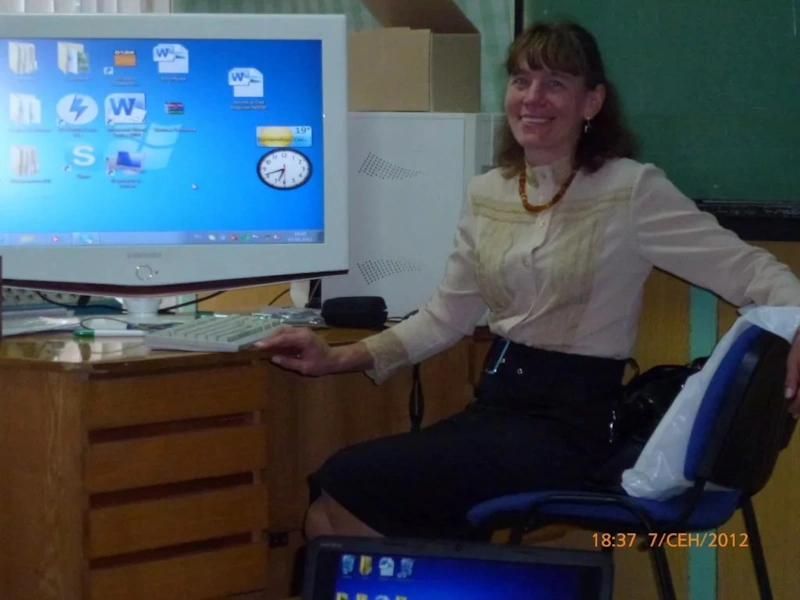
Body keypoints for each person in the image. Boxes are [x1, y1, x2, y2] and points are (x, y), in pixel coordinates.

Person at [257, 20, 800, 542]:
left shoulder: (632, 190)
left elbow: (750, 271)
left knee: (346, 483)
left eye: (555, 83)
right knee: (330, 514)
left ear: (592, 102)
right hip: (495, 411)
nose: (532, 98)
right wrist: (336, 359)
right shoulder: (488, 193)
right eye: (521, 80)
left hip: (572, 427)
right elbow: (445, 318)